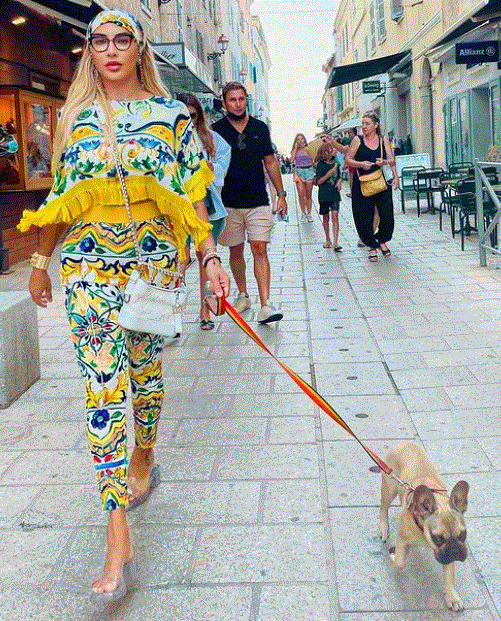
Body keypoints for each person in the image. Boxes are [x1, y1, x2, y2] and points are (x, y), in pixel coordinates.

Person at [17, 9, 230, 605]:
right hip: (87, 269)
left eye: (122, 39)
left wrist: (210, 257)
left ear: (139, 49)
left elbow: (192, 193)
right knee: (102, 389)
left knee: (145, 375)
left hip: (153, 268)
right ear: (91, 51)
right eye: (100, 41)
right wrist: (40, 261)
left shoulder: (171, 116)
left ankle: (145, 451)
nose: (110, 49)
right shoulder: (76, 118)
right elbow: (61, 196)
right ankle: (116, 533)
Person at [212, 81, 287, 324]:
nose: (237, 104)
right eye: (232, 100)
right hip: (228, 202)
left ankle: (266, 304)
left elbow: (271, 162)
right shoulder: (215, 130)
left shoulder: (259, 128)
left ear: (246, 100)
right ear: (224, 103)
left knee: (260, 248)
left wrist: (281, 194)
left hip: (258, 200)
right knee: (235, 250)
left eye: (241, 99)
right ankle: (243, 294)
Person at [176, 92, 231, 330]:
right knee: (177, 259)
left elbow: (224, 161)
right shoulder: (165, 136)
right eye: (183, 115)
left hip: (205, 203)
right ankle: (170, 315)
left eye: (193, 115)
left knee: (205, 258)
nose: (189, 120)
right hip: (175, 205)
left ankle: (204, 310)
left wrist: (211, 168)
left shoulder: (210, 137)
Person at [345, 112, 399, 261]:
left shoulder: (383, 139)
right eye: (363, 123)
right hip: (362, 183)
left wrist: (393, 174)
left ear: (376, 125)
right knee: (364, 217)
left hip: (381, 182)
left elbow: (391, 160)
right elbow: (348, 159)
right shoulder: (357, 140)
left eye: (367, 124)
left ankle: (381, 240)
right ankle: (372, 247)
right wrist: (360, 164)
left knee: (387, 215)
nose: (364, 126)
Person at [315, 142, 342, 251]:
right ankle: (327, 239)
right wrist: (329, 174)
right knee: (325, 217)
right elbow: (318, 181)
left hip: (334, 193)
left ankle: (336, 242)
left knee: (335, 217)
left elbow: (339, 176)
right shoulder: (320, 165)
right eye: (331, 149)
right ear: (325, 152)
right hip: (324, 194)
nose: (334, 151)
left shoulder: (336, 163)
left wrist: (339, 181)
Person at [290, 133, 315, 222]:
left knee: (308, 194)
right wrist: (295, 148)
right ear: (296, 141)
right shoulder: (295, 150)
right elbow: (291, 160)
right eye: (298, 139)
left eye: (302, 139)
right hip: (299, 172)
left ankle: (309, 213)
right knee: (300, 194)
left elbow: (314, 159)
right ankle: (303, 213)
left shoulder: (308, 149)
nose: (300, 141)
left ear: (304, 139)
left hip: (309, 171)